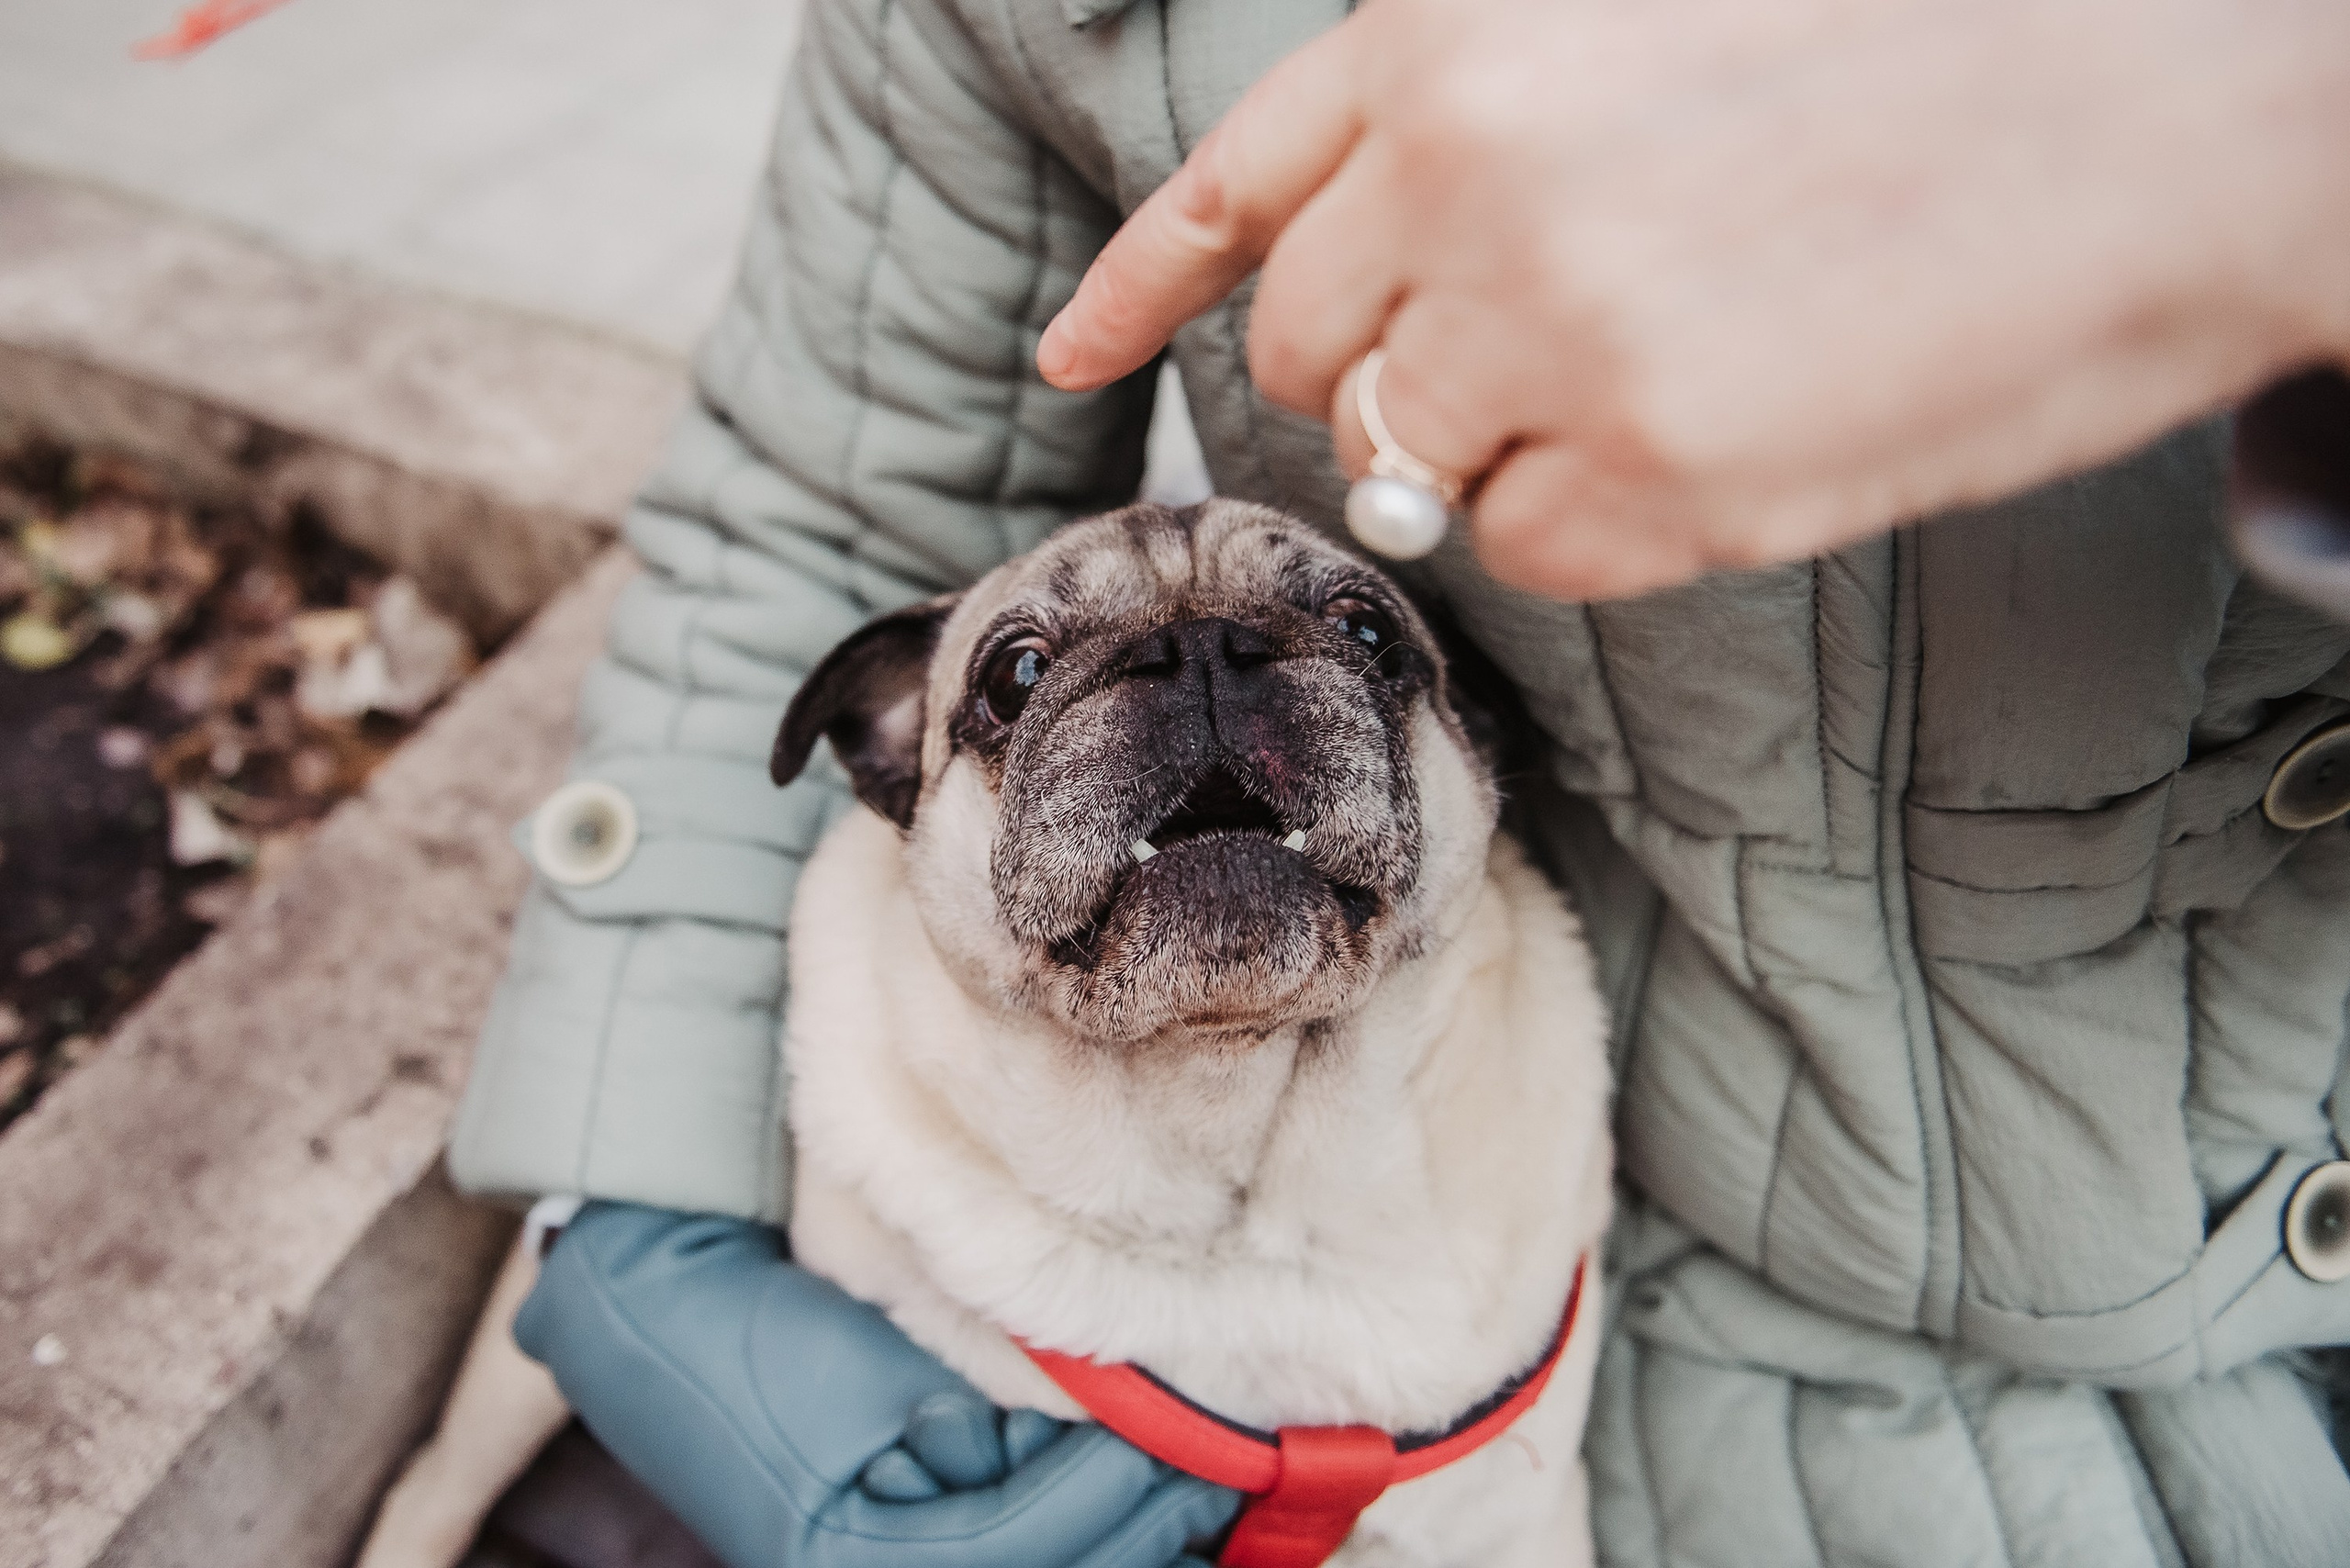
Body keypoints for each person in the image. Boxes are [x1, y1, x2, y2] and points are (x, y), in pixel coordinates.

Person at [448, 0, 2350, 1562]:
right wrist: (641, 1194)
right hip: (1672, 1312)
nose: (1196, 683)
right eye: (1031, 680)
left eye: (1351, 643)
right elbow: (832, 480)